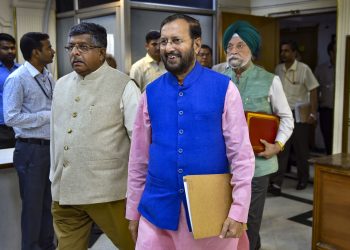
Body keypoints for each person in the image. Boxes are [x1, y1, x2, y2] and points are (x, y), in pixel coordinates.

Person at [126, 14, 255, 250]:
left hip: (210, 211)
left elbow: (241, 156)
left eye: (176, 40)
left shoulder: (224, 89)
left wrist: (239, 211)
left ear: (196, 44)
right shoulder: (150, 93)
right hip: (157, 209)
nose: (168, 48)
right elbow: (138, 159)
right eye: (164, 41)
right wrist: (133, 211)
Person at [50, 22, 139, 250]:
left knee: (135, 245)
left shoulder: (124, 86)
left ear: (101, 52)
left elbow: (139, 143)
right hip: (66, 191)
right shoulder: (60, 85)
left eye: (83, 47)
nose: (75, 52)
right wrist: (54, 176)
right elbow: (56, 134)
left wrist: (138, 189)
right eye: (70, 47)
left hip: (109, 192)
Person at [214, 20, 294, 250]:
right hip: (221, 166)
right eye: (230, 46)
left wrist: (277, 145)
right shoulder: (216, 76)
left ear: (252, 49)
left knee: (249, 223)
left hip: (257, 167)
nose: (234, 51)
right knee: (221, 221)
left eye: (240, 46)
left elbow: (287, 118)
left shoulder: (270, 80)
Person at [3, 32, 56, 250]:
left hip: (48, 148)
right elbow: (11, 117)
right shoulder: (17, 78)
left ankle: (48, 246)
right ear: (36, 52)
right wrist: (47, 115)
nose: (52, 50)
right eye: (48, 47)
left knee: (48, 206)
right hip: (30, 150)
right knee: (33, 208)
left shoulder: (47, 75)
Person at [269, 41, 319, 193]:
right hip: (282, 115)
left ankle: (303, 179)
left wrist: (313, 113)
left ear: (294, 52)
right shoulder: (278, 69)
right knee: (281, 149)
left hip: (298, 115)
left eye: (287, 51)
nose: (283, 54)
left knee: (301, 150)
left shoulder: (304, 69)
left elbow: (314, 90)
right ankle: (276, 183)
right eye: (282, 51)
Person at [315, 40, 336, 155]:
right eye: (335, 51)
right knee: (327, 137)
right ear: (330, 53)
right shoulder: (321, 69)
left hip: (342, 113)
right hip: (326, 109)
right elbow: (314, 90)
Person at [0, 33, 20, 149]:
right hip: (1, 126)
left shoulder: (22, 70)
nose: (10, 51)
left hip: (20, 125)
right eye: (5, 48)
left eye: (12, 48)